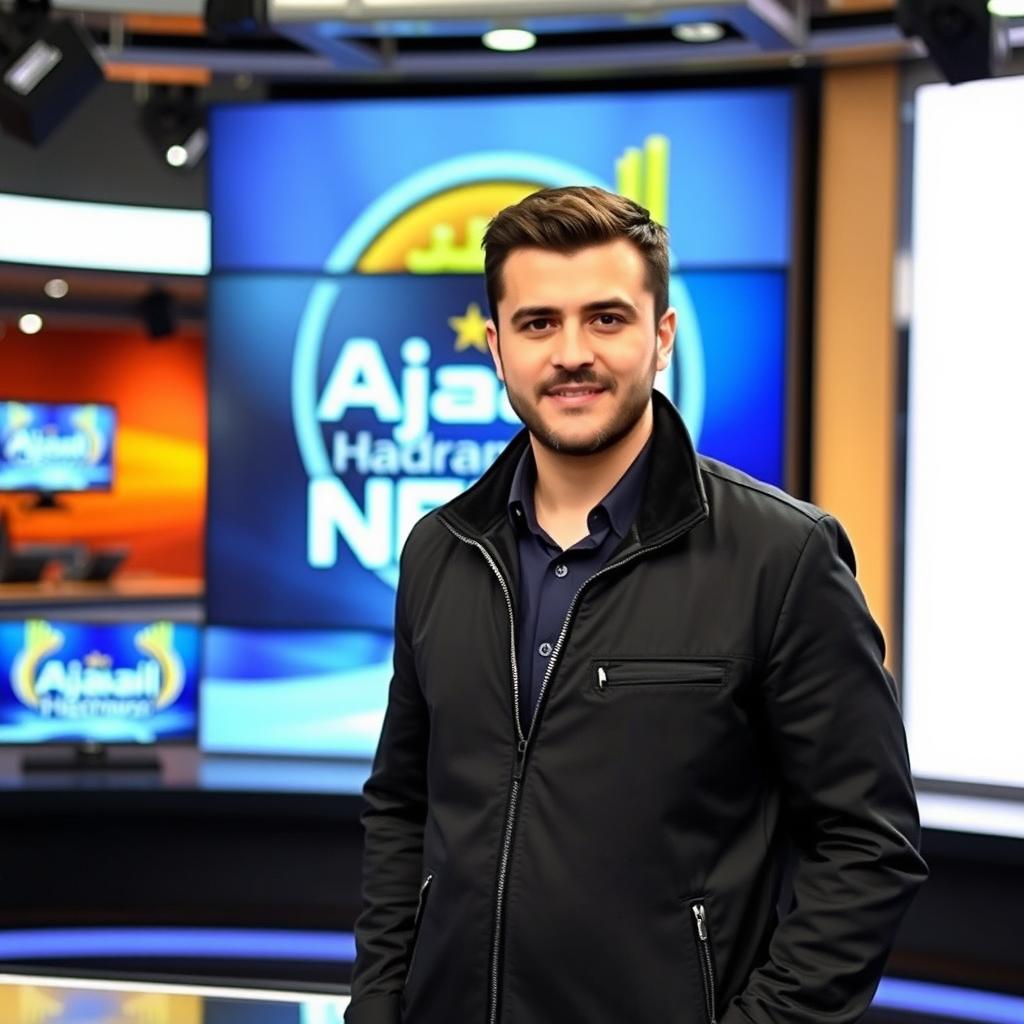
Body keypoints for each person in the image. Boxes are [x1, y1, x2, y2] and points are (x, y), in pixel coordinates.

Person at [345, 186, 927, 1024]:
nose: (571, 352)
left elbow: (869, 848)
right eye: (539, 323)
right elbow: (403, 807)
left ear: (661, 339)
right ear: (495, 346)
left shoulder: (783, 556)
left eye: (607, 319)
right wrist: (377, 1007)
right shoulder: (439, 550)